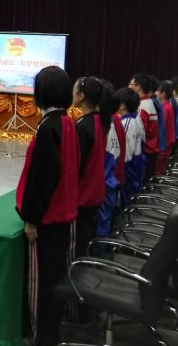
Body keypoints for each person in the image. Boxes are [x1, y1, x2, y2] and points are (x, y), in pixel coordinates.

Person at [16, 66, 79, 346]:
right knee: (54, 278)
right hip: (63, 215)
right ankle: (51, 332)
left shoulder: (48, 127)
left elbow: (43, 177)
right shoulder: (67, 121)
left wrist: (31, 218)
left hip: (48, 220)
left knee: (41, 283)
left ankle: (42, 336)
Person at [72, 76, 110, 258]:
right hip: (95, 191)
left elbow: (76, 165)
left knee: (78, 243)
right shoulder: (100, 120)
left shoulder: (82, 126)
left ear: (81, 96)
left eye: (74, 90)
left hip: (83, 195)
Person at [97, 81, 124, 239]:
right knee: (105, 219)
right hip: (111, 181)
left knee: (102, 221)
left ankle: (99, 250)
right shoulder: (114, 122)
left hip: (106, 183)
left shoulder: (108, 126)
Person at [115, 87, 146, 207]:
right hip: (137, 163)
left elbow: (126, 153)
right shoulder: (136, 118)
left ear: (122, 105)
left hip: (129, 167)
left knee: (126, 200)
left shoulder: (126, 123)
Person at [129, 74, 159, 181]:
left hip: (147, 151)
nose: (128, 86)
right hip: (151, 150)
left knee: (143, 183)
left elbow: (140, 132)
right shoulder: (148, 102)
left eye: (130, 84)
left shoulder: (142, 106)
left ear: (138, 87)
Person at [155, 80, 177, 175]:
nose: (155, 93)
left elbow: (161, 128)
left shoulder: (164, 108)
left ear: (163, 93)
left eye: (157, 91)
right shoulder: (168, 105)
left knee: (158, 171)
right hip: (168, 143)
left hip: (164, 144)